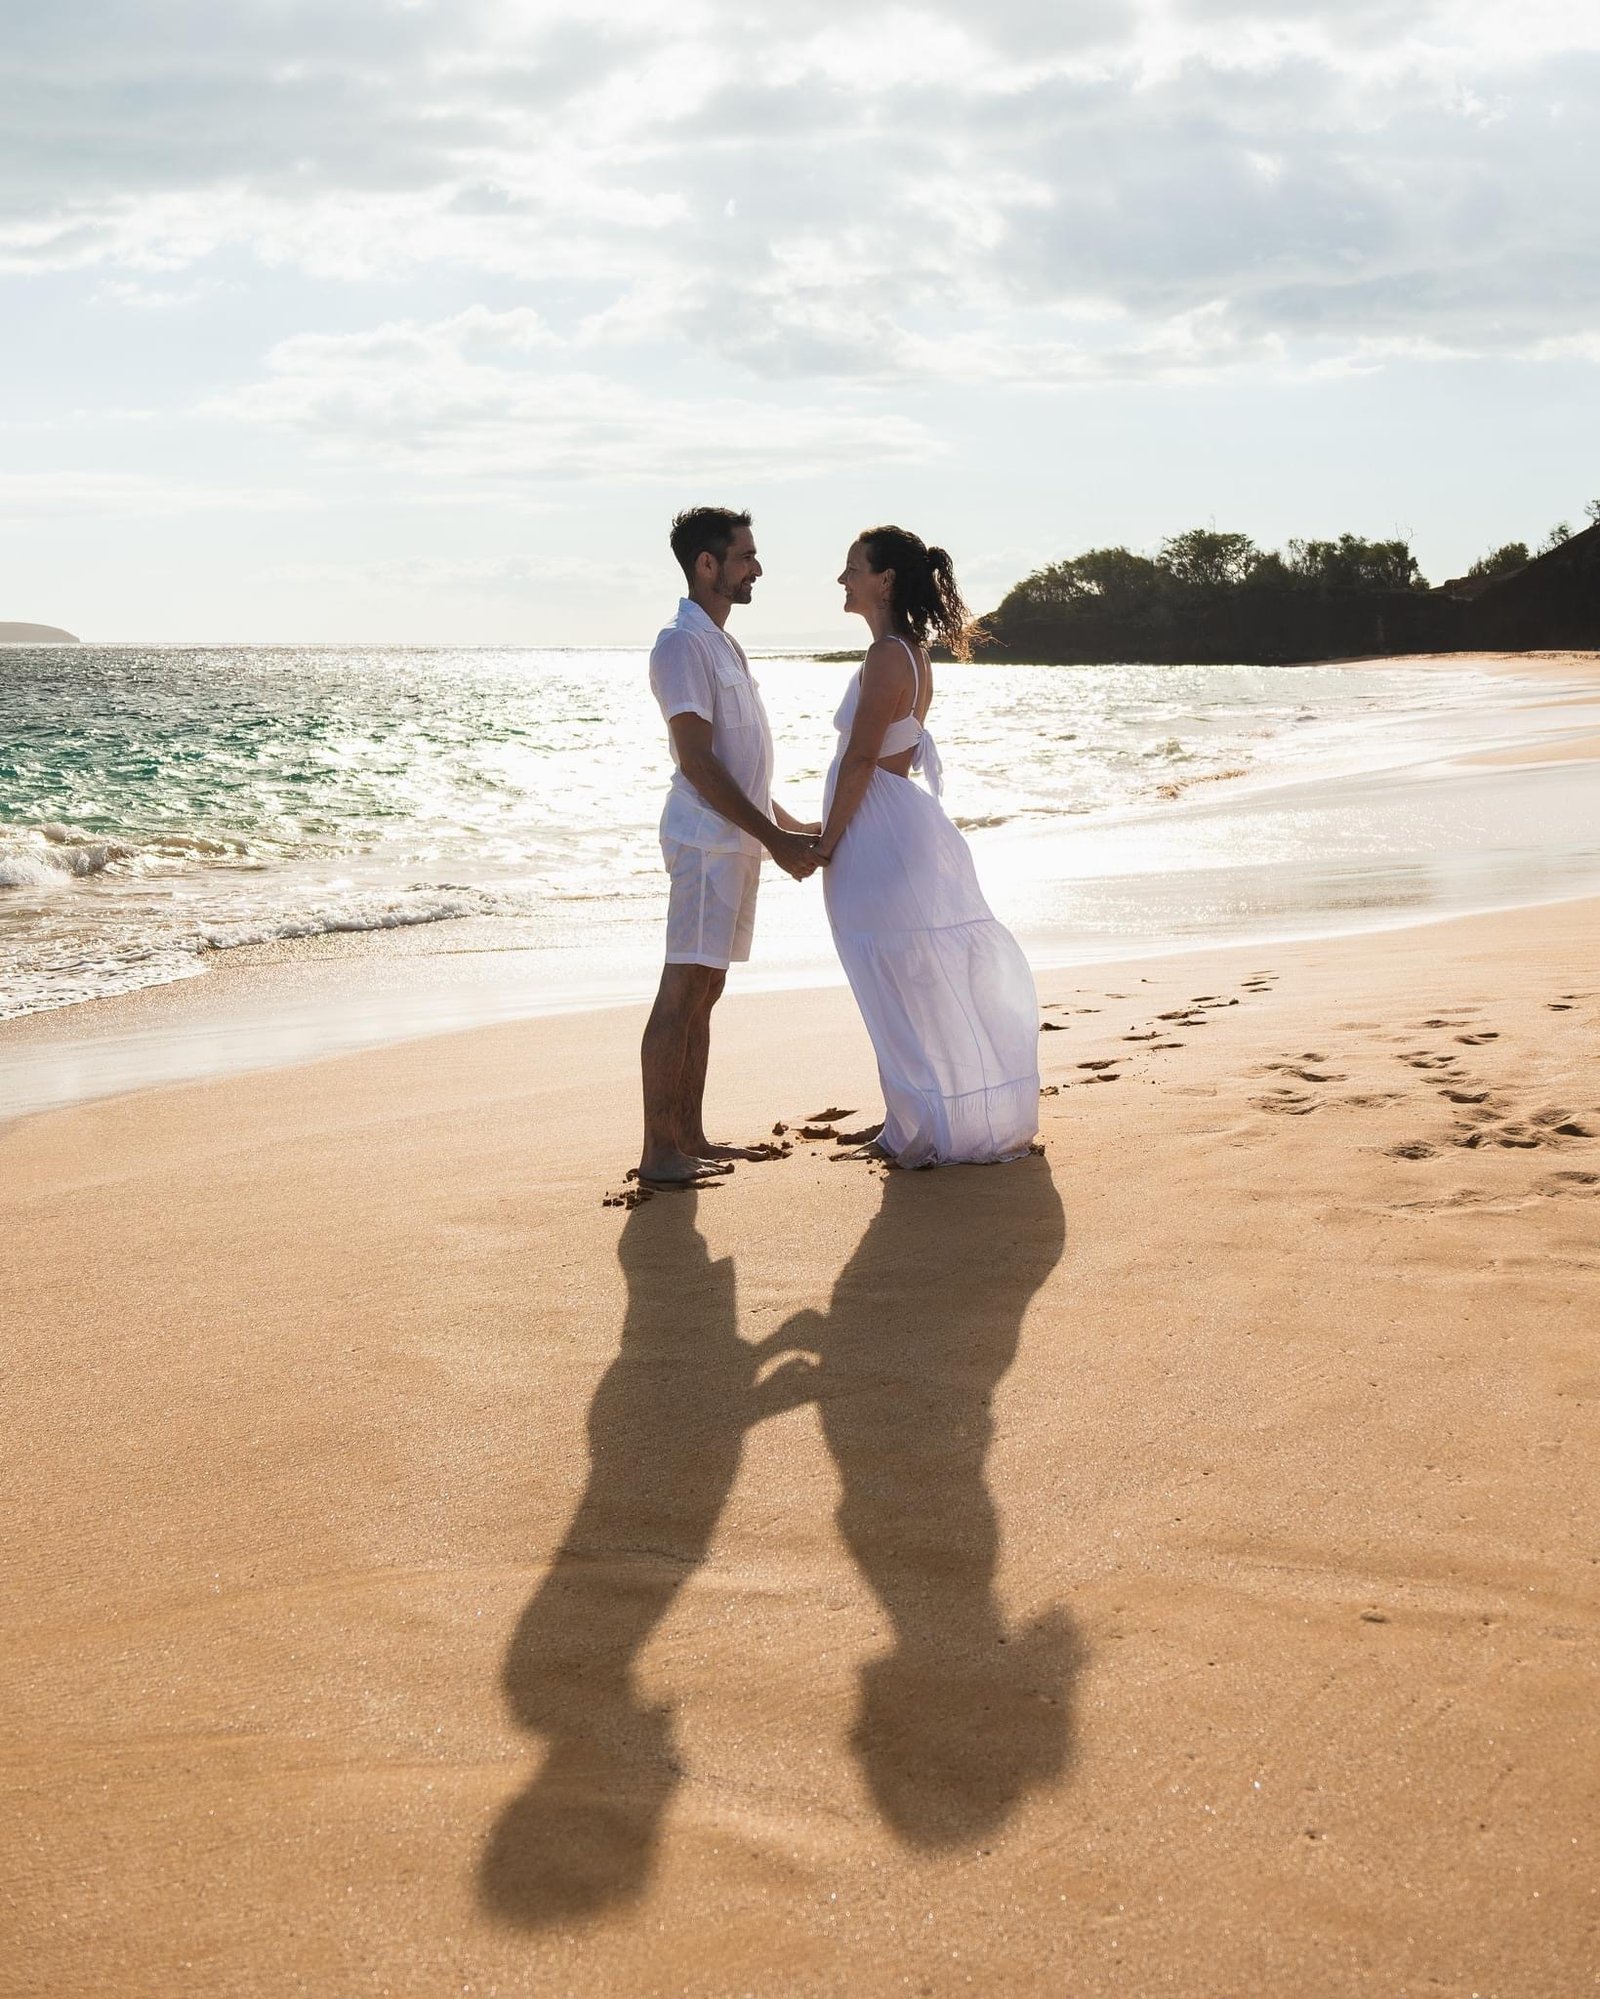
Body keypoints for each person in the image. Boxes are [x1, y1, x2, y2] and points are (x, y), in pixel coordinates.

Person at [812, 526, 1039, 1167]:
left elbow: (861, 759)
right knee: (897, 972)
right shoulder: (906, 652)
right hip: (887, 826)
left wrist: (826, 843)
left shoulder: (889, 656)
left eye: (852, 567)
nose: (842, 579)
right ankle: (911, 1115)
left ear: (883, 580)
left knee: (888, 971)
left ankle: (918, 1124)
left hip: (875, 833)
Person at [639, 507, 822, 1189]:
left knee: (706, 990)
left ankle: (690, 1136)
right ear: (707, 565)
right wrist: (775, 838)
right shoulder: (680, 644)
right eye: (745, 555)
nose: (756, 567)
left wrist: (789, 825)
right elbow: (697, 762)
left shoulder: (723, 644)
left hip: (736, 843)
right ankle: (660, 1153)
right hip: (704, 843)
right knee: (682, 989)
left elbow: (743, 766)